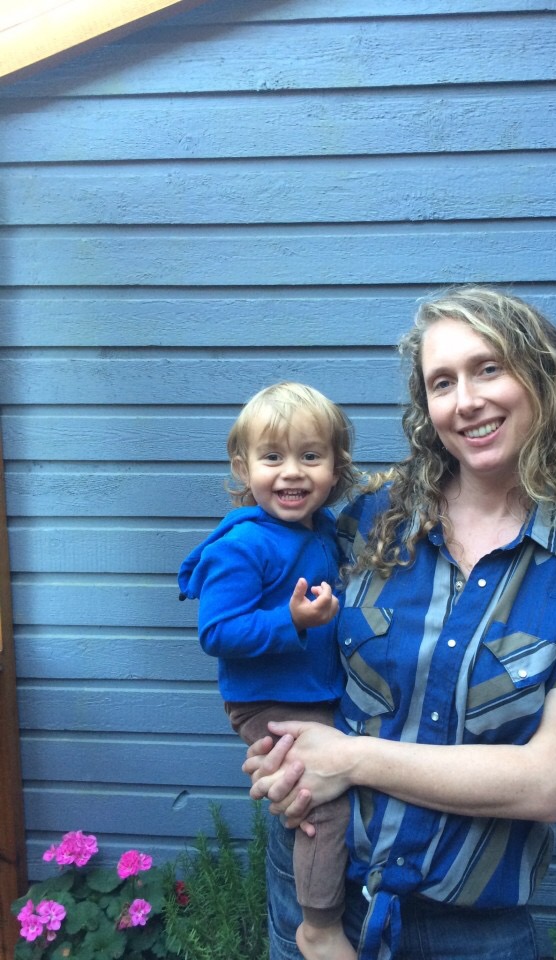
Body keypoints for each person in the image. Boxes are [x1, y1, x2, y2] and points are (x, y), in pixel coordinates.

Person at [243, 286, 556, 960]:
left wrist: (348, 758)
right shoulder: (370, 520)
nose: (466, 400)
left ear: (542, 377)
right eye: (443, 382)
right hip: (316, 875)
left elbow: (549, 783)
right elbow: (280, 643)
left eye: (488, 369)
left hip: (470, 927)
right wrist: (279, 749)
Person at [178, 381, 358, 960]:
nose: (292, 472)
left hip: (317, 694)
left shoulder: (325, 531)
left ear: (335, 467)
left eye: (311, 455)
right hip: (268, 701)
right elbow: (217, 632)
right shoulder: (243, 546)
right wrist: (292, 620)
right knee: (321, 805)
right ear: (244, 467)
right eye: (273, 457)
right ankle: (319, 926)